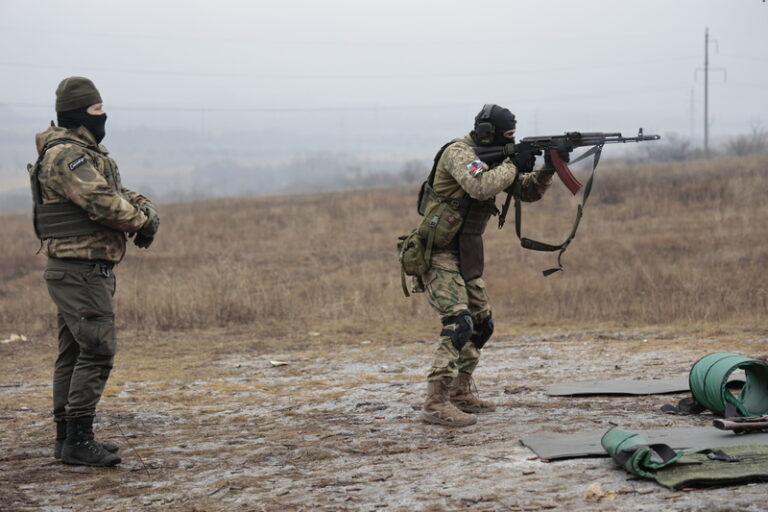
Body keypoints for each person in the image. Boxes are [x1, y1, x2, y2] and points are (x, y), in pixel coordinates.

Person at [31, 76, 160, 466]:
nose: (105, 116)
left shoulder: (83, 153)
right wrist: (141, 222)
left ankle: (68, 439)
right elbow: (102, 201)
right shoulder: (67, 156)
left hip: (79, 268)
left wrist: (143, 208)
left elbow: (115, 191)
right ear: (78, 112)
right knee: (98, 349)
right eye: (97, 110)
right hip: (79, 269)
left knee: (73, 354)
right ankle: (77, 440)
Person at [417, 104, 554, 427]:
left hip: (466, 251)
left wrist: (549, 167)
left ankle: (460, 393)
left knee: (482, 324)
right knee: (459, 322)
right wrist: (511, 163)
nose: (510, 140)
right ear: (487, 133)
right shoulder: (458, 152)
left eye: (513, 137)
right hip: (438, 252)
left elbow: (526, 191)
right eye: (505, 136)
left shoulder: (493, 161)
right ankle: (435, 402)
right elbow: (480, 185)